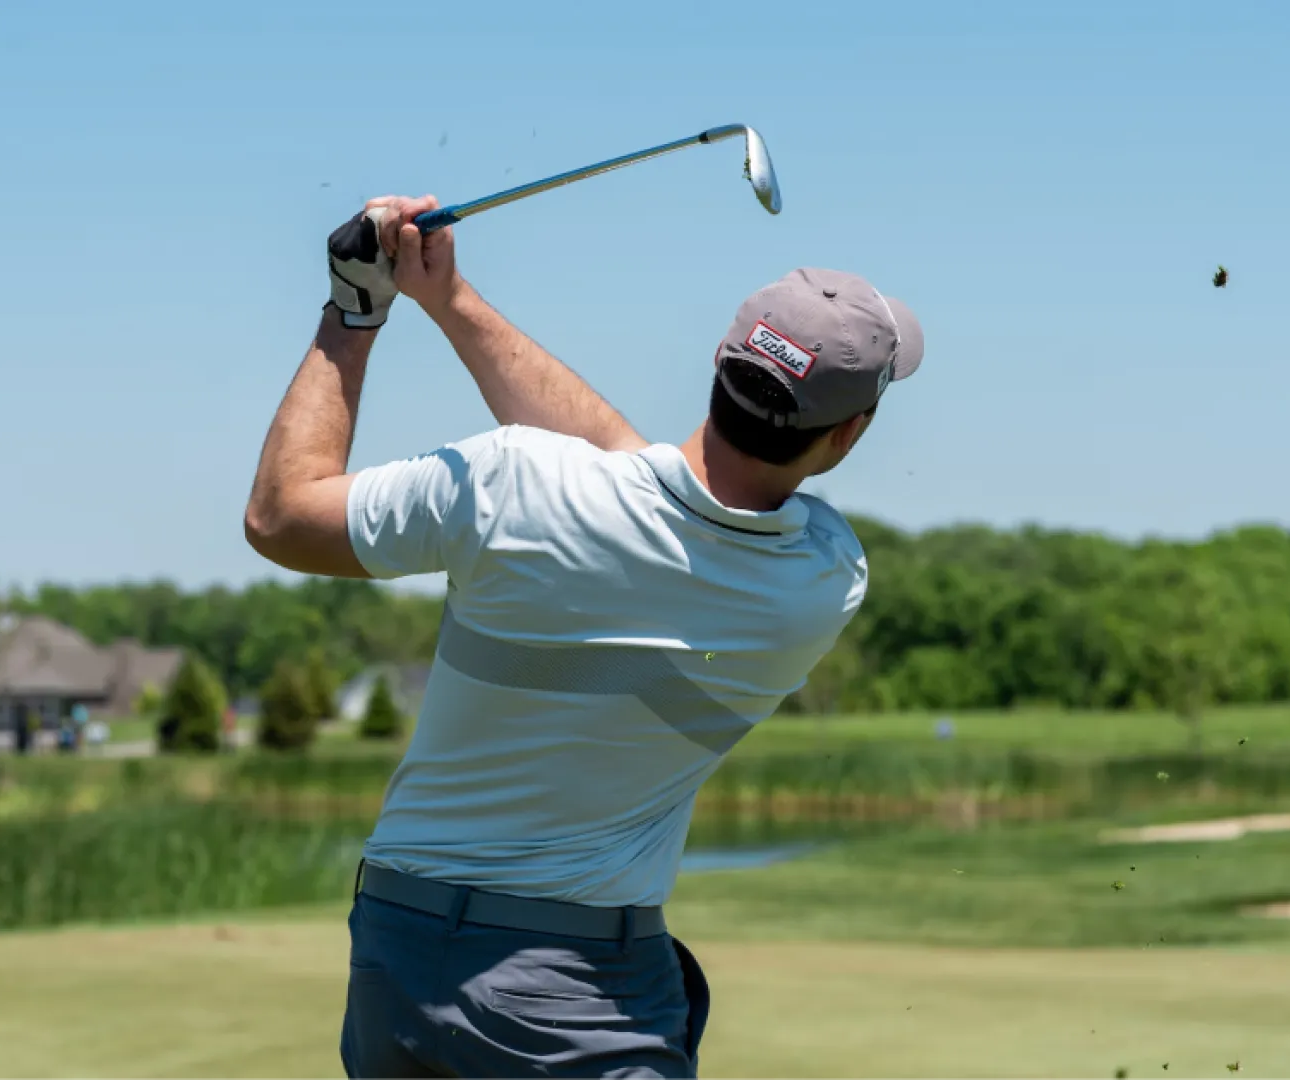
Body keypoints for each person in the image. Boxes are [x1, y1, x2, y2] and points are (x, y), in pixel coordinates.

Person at [243, 195, 925, 1080]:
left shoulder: (511, 483)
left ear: (717, 365)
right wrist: (449, 299)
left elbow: (280, 518)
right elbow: (637, 481)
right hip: (578, 993)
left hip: (393, 955)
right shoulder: (822, 579)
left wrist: (358, 310)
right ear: (845, 436)